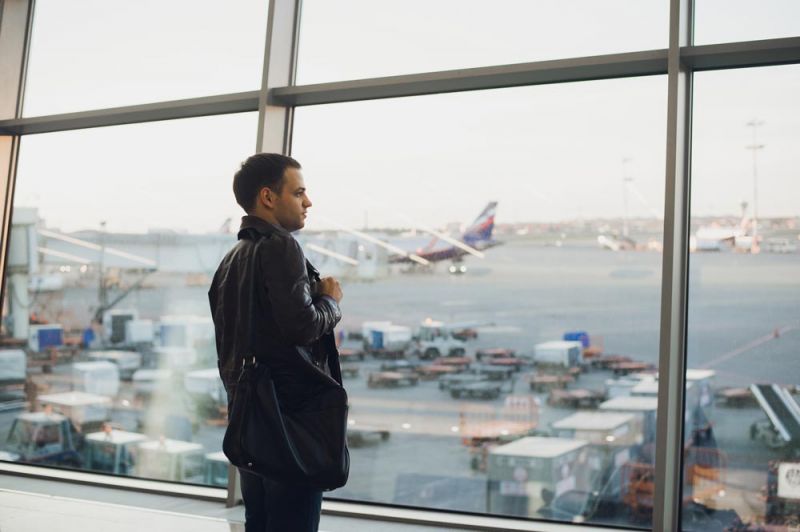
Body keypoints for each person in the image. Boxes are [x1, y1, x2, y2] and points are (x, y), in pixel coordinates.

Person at [208, 153, 344, 532]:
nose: (308, 202)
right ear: (268, 197)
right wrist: (330, 300)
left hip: (250, 419)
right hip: (289, 421)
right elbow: (303, 327)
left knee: (260, 522)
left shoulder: (232, 258)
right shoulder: (281, 247)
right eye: (299, 192)